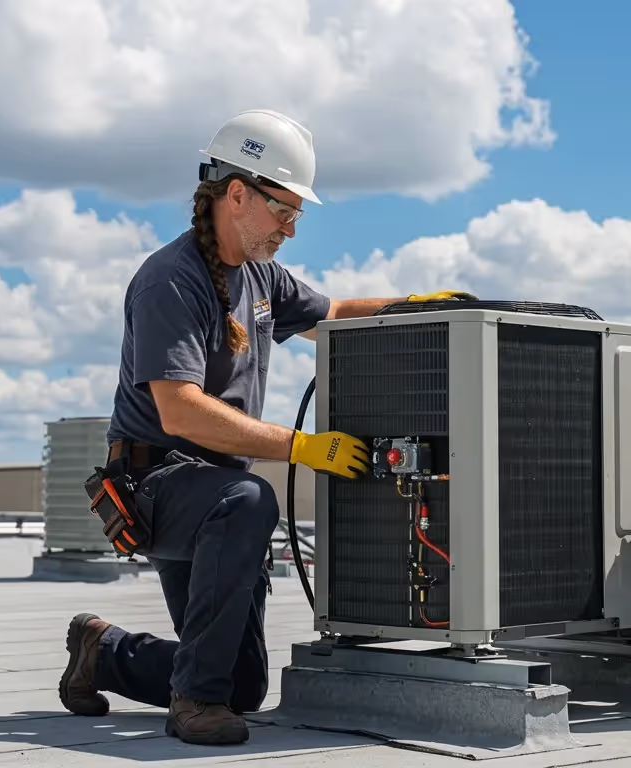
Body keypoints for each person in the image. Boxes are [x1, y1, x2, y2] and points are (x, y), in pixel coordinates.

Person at [55, 109, 475, 745]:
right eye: (284, 210)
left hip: (215, 494)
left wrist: (411, 308)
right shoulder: (170, 280)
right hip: (156, 484)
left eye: (297, 215)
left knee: (243, 686)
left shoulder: (261, 277)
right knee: (252, 499)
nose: (290, 228)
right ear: (237, 193)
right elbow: (180, 410)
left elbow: (330, 314)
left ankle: (104, 651)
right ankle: (192, 703)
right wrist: (301, 447)